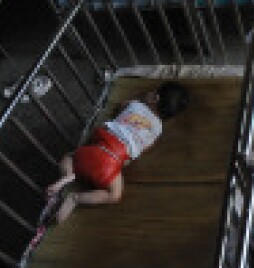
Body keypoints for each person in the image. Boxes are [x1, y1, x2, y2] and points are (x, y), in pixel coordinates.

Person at [45, 82, 190, 223]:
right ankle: (75, 198)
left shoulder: (136, 105)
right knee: (114, 195)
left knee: (69, 157)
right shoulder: (158, 129)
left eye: (152, 91)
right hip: (114, 159)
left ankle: (69, 176)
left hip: (99, 143)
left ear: (154, 98)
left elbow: (120, 106)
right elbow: (143, 149)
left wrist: (135, 104)